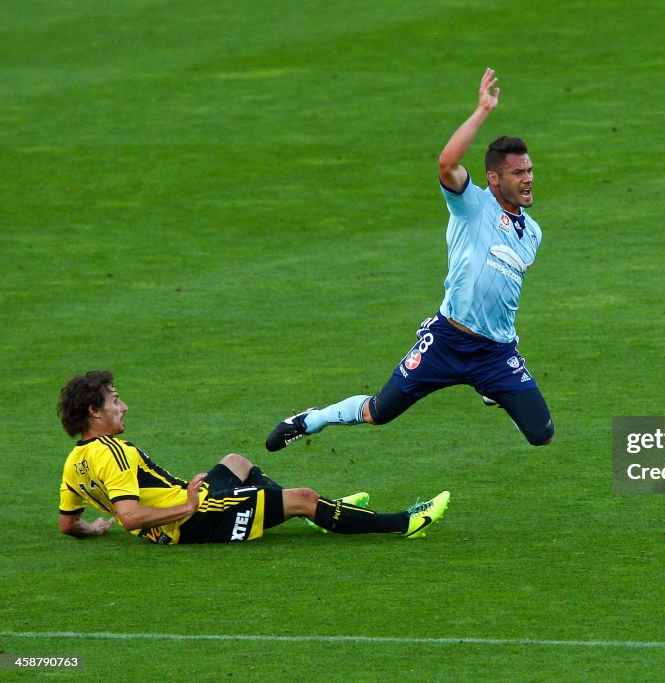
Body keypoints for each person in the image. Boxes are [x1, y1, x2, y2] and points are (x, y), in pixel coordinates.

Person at [266, 68, 554, 452]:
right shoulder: (472, 206)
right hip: (447, 341)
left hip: (495, 353)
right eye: (518, 172)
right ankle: (311, 419)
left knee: (542, 434)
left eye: (530, 169)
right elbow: (447, 164)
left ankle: (491, 389)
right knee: (380, 411)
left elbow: (504, 291)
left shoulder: (533, 233)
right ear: (495, 179)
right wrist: (483, 110)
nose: (529, 178)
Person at [57, 370, 449, 544]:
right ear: (94, 412)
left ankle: (311, 515)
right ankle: (404, 522)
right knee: (305, 498)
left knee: (236, 462)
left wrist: (93, 528)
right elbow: (129, 517)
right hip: (191, 520)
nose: (123, 406)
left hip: (178, 510)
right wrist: (188, 505)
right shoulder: (113, 453)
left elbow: (66, 524)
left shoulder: (74, 464)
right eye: (115, 400)